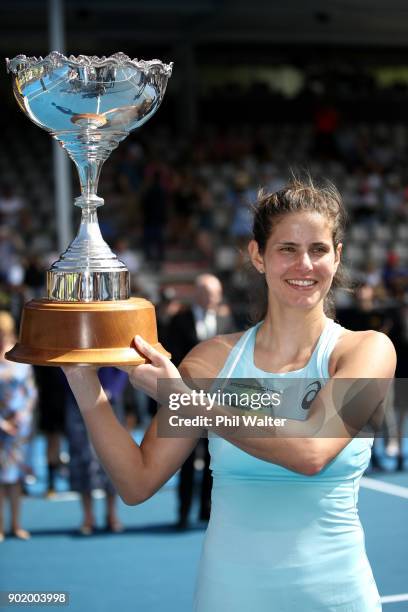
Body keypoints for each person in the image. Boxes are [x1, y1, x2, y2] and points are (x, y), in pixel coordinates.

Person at [63, 179, 396, 611]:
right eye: (287, 249)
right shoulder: (212, 361)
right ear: (258, 256)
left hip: (337, 599)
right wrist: (80, 376)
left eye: (318, 249)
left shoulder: (365, 350)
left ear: (338, 256)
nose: (305, 264)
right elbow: (137, 482)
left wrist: (187, 400)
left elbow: (311, 450)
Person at [166, 274, 235, 528]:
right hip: (186, 400)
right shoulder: (178, 320)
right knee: (184, 458)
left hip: (218, 402)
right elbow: (172, 358)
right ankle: (183, 511)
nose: (213, 298)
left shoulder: (226, 319)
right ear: (197, 293)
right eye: (208, 292)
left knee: (213, 458)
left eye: (216, 293)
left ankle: (207, 510)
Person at [0, 311, 37, 541]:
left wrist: (23, 415)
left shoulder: (20, 354)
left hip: (20, 426)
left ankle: (16, 524)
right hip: (1, 425)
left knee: (15, 478)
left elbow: (31, 391)